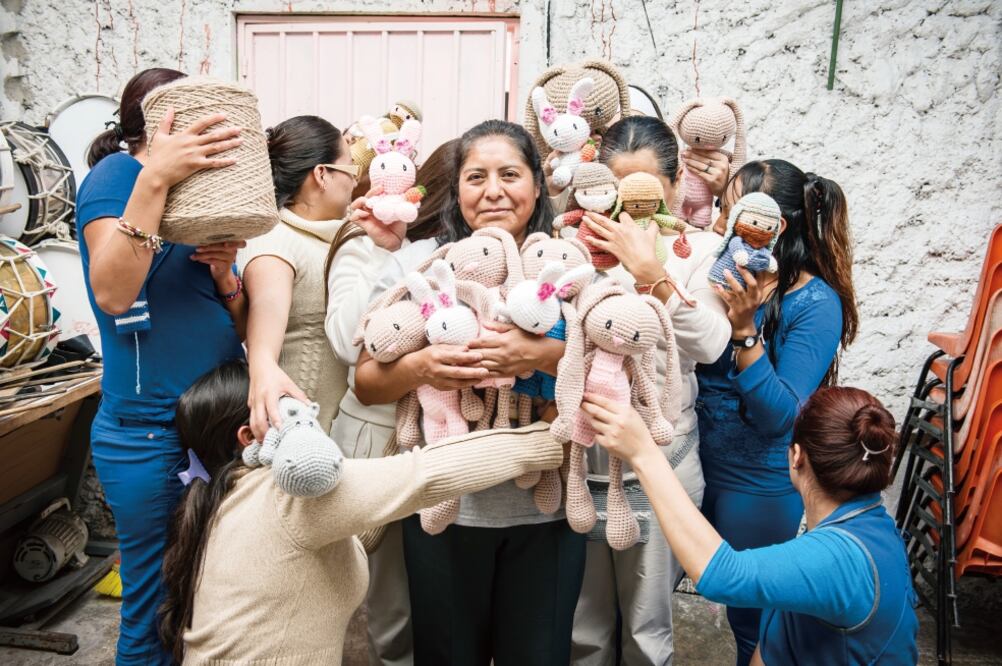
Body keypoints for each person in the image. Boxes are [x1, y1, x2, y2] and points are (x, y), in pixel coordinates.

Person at [352, 120, 584, 666]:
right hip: (444, 507)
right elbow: (366, 381)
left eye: (510, 174)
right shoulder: (426, 263)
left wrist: (541, 355)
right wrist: (424, 365)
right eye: (476, 176)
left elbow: (614, 356)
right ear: (455, 189)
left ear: (537, 184)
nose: (493, 190)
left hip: (544, 512)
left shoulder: (569, 261)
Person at [157, 360, 563, 665]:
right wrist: (547, 435)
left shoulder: (218, 500)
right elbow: (425, 476)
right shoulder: (287, 495)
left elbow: (345, 537)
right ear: (249, 435)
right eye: (283, 402)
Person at [76, 67, 246, 665]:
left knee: (208, 597)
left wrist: (227, 274)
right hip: (149, 433)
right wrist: (156, 178)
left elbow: (237, 321)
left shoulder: (203, 190)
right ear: (160, 120)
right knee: (152, 604)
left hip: (219, 423)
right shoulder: (119, 176)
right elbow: (115, 294)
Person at [582, 386, 919, 665]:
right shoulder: (871, 524)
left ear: (795, 457)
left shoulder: (841, 559)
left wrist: (644, 454)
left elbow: (723, 575)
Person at [564, 115, 731, 665]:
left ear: (677, 183)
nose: (628, 210)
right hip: (581, 463)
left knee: (645, 631)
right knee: (584, 631)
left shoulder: (702, 250)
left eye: (647, 193)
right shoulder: (574, 245)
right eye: (616, 191)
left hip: (662, 462)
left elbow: (709, 345)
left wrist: (650, 270)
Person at [695, 159, 859, 664]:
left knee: (752, 624)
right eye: (724, 207)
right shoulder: (722, 272)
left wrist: (745, 330)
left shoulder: (815, 302)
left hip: (756, 485)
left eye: (731, 208)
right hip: (691, 464)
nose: (720, 222)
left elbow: (780, 416)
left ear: (775, 224)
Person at [324, 138, 458, 666]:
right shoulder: (372, 243)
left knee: (431, 585)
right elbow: (346, 342)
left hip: (434, 436)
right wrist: (378, 247)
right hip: (374, 434)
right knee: (384, 588)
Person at [239, 115, 356, 441]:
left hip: (334, 428)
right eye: (350, 169)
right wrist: (262, 365)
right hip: (295, 431)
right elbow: (263, 337)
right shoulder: (275, 242)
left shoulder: (327, 237)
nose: (354, 182)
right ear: (322, 174)